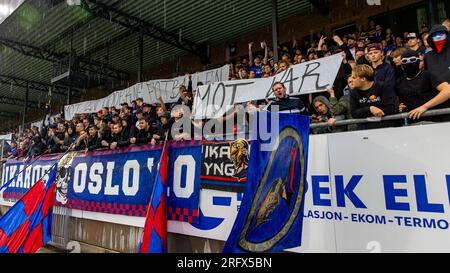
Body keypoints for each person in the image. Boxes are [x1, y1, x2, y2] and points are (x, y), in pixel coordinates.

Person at [409, 24, 450, 120]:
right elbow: (426, 79)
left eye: (441, 34)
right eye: (435, 35)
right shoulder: (428, 57)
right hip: (438, 104)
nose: (438, 37)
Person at [395, 50, 442, 123]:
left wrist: (424, 107)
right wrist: (398, 106)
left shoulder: (427, 75)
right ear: (401, 64)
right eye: (405, 61)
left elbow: (447, 90)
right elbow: (395, 102)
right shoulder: (399, 82)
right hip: (411, 125)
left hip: (432, 121)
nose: (409, 63)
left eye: (412, 60)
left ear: (418, 61)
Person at [349, 64, 398, 130]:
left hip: (388, 126)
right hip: (366, 128)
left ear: (363, 79)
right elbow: (354, 113)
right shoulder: (354, 92)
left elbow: (392, 108)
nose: (351, 80)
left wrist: (376, 111)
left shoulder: (383, 86)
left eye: (354, 78)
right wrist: (370, 109)